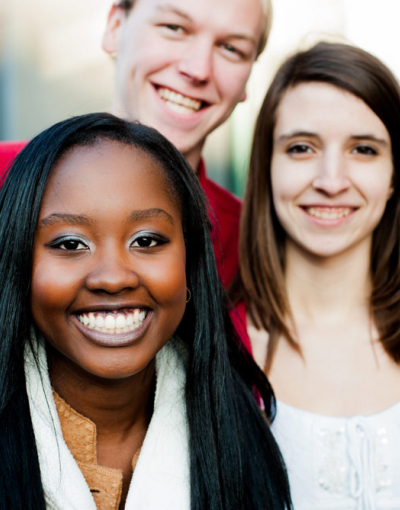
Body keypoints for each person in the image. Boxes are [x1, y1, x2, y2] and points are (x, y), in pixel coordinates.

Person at [0, 112, 291, 509]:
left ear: (190, 262)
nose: (114, 277)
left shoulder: (240, 436)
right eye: (70, 244)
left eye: (147, 240)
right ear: (17, 260)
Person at [231, 42, 400, 508]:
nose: (330, 179)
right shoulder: (221, 350)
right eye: (301, 148)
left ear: (393, 176)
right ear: (267, 164)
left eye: (363, 150)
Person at [0, 0, 272, 287]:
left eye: (232, 49)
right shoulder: (4, 175)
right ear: (115, 27)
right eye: (174, 28)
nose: (198, 70)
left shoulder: (253, 246)